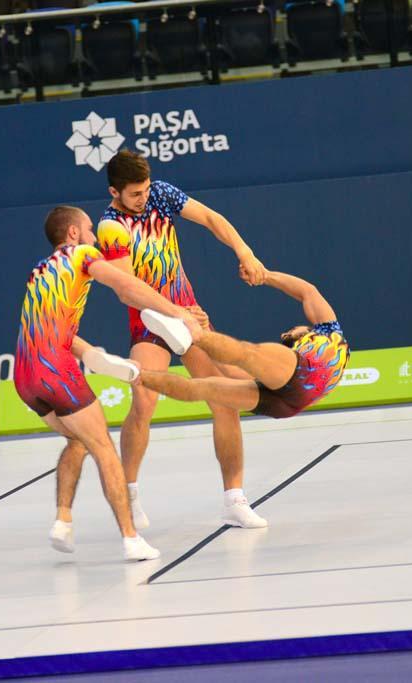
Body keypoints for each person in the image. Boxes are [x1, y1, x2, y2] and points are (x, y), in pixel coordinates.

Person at [15, 205, 200, 561]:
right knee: (103, 448)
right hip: (55, 367)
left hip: (25, 373)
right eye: (88, 228)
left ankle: (63, 520)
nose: (94, 236)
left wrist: (106, 362)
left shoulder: (40, 271)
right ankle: (131, 538)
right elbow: (125, 285)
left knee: (76, 439)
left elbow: (63, 335)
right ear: (72, 234)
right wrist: (177, 311)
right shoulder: (83, 254)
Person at [95, 150, 269, 529]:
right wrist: (176, 314)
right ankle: (128, 494)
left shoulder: (161, 193)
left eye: (144, 190)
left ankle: (234, 499)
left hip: (187, 314)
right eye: (135, 194)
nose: (143, 198)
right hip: (150, 321)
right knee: (143, 401)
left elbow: (210, 218)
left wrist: (245, 252)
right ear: (115, 192)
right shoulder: (110, 226)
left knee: (224, 398)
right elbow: (128, 290)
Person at [109, 267, 350, 424]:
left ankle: (192, 331)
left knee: (247, 353)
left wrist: (265, 275)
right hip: (290, 406)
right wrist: (263, 275)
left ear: (305, 331)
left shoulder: (325, 333)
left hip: (304, 375)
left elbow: (308, 291)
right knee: (202, 389)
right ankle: (138, 375)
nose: (285, 332)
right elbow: (306, 292)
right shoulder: (329, 335)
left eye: (290, 332)